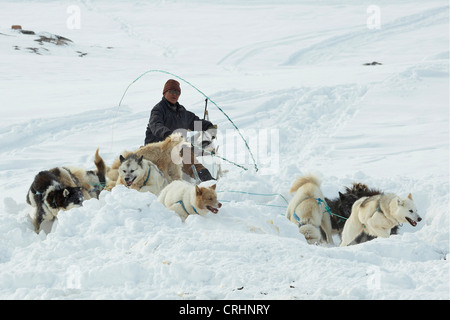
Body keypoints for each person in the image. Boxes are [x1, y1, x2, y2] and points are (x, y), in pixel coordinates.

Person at [144, 79, 217, 182]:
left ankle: (203, 173)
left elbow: (196, 123)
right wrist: (169, 135)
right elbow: (156, 125)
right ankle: (203, 176)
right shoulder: (158, 109)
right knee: (183, 149)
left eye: (177, 93)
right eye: (171, 92)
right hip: (158, 148)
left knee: (194, 144)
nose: (175, 95)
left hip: (176, 146)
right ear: (164, 92)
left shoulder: (182, 112)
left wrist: (210, 127)